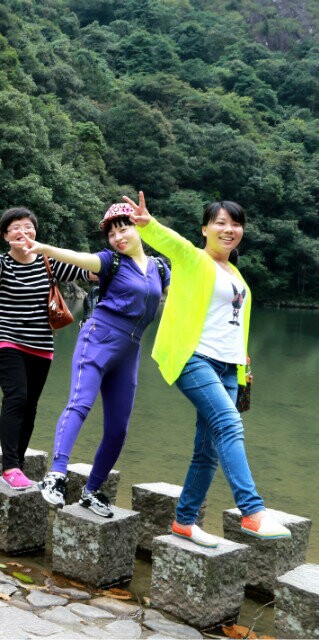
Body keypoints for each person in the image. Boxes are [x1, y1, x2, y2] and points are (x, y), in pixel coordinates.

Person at [123, 192, 291, 545]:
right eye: (221, 223)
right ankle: (252, 511)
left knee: (208, 450)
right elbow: (173, 242)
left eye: (236, 224)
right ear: (205, 229)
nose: (229, 229)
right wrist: (148, 225)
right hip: (194, 358)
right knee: (229, 424)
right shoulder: (193, 259)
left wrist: (244, 366)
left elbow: (233, 324)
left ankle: (184, 521)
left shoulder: (237, 275)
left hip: (229, 367)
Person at [13, 203, 170, 517]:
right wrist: (44, 248)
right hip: (98, 339)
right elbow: (79, 258)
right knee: (80, 403)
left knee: (118, 428)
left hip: (130, 350)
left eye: (123, 228)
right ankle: (56, 474)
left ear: (139, 228)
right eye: (111, 233)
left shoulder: (160, 268)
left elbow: (181, 299)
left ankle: (91, 491)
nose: (117, 237)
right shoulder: (111, 260)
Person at [0, 207, 90, 489]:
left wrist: (118, 262)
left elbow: (88, 271)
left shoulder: (47, 261)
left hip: (41, 345)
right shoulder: (2, 262)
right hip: (8, 340)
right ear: (6, 236)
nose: (23, 231)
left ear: (35, 232)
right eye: (16, 227)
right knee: (16, 398)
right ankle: (10, 466)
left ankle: (18, 464)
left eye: (28, 226)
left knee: (30, 407)